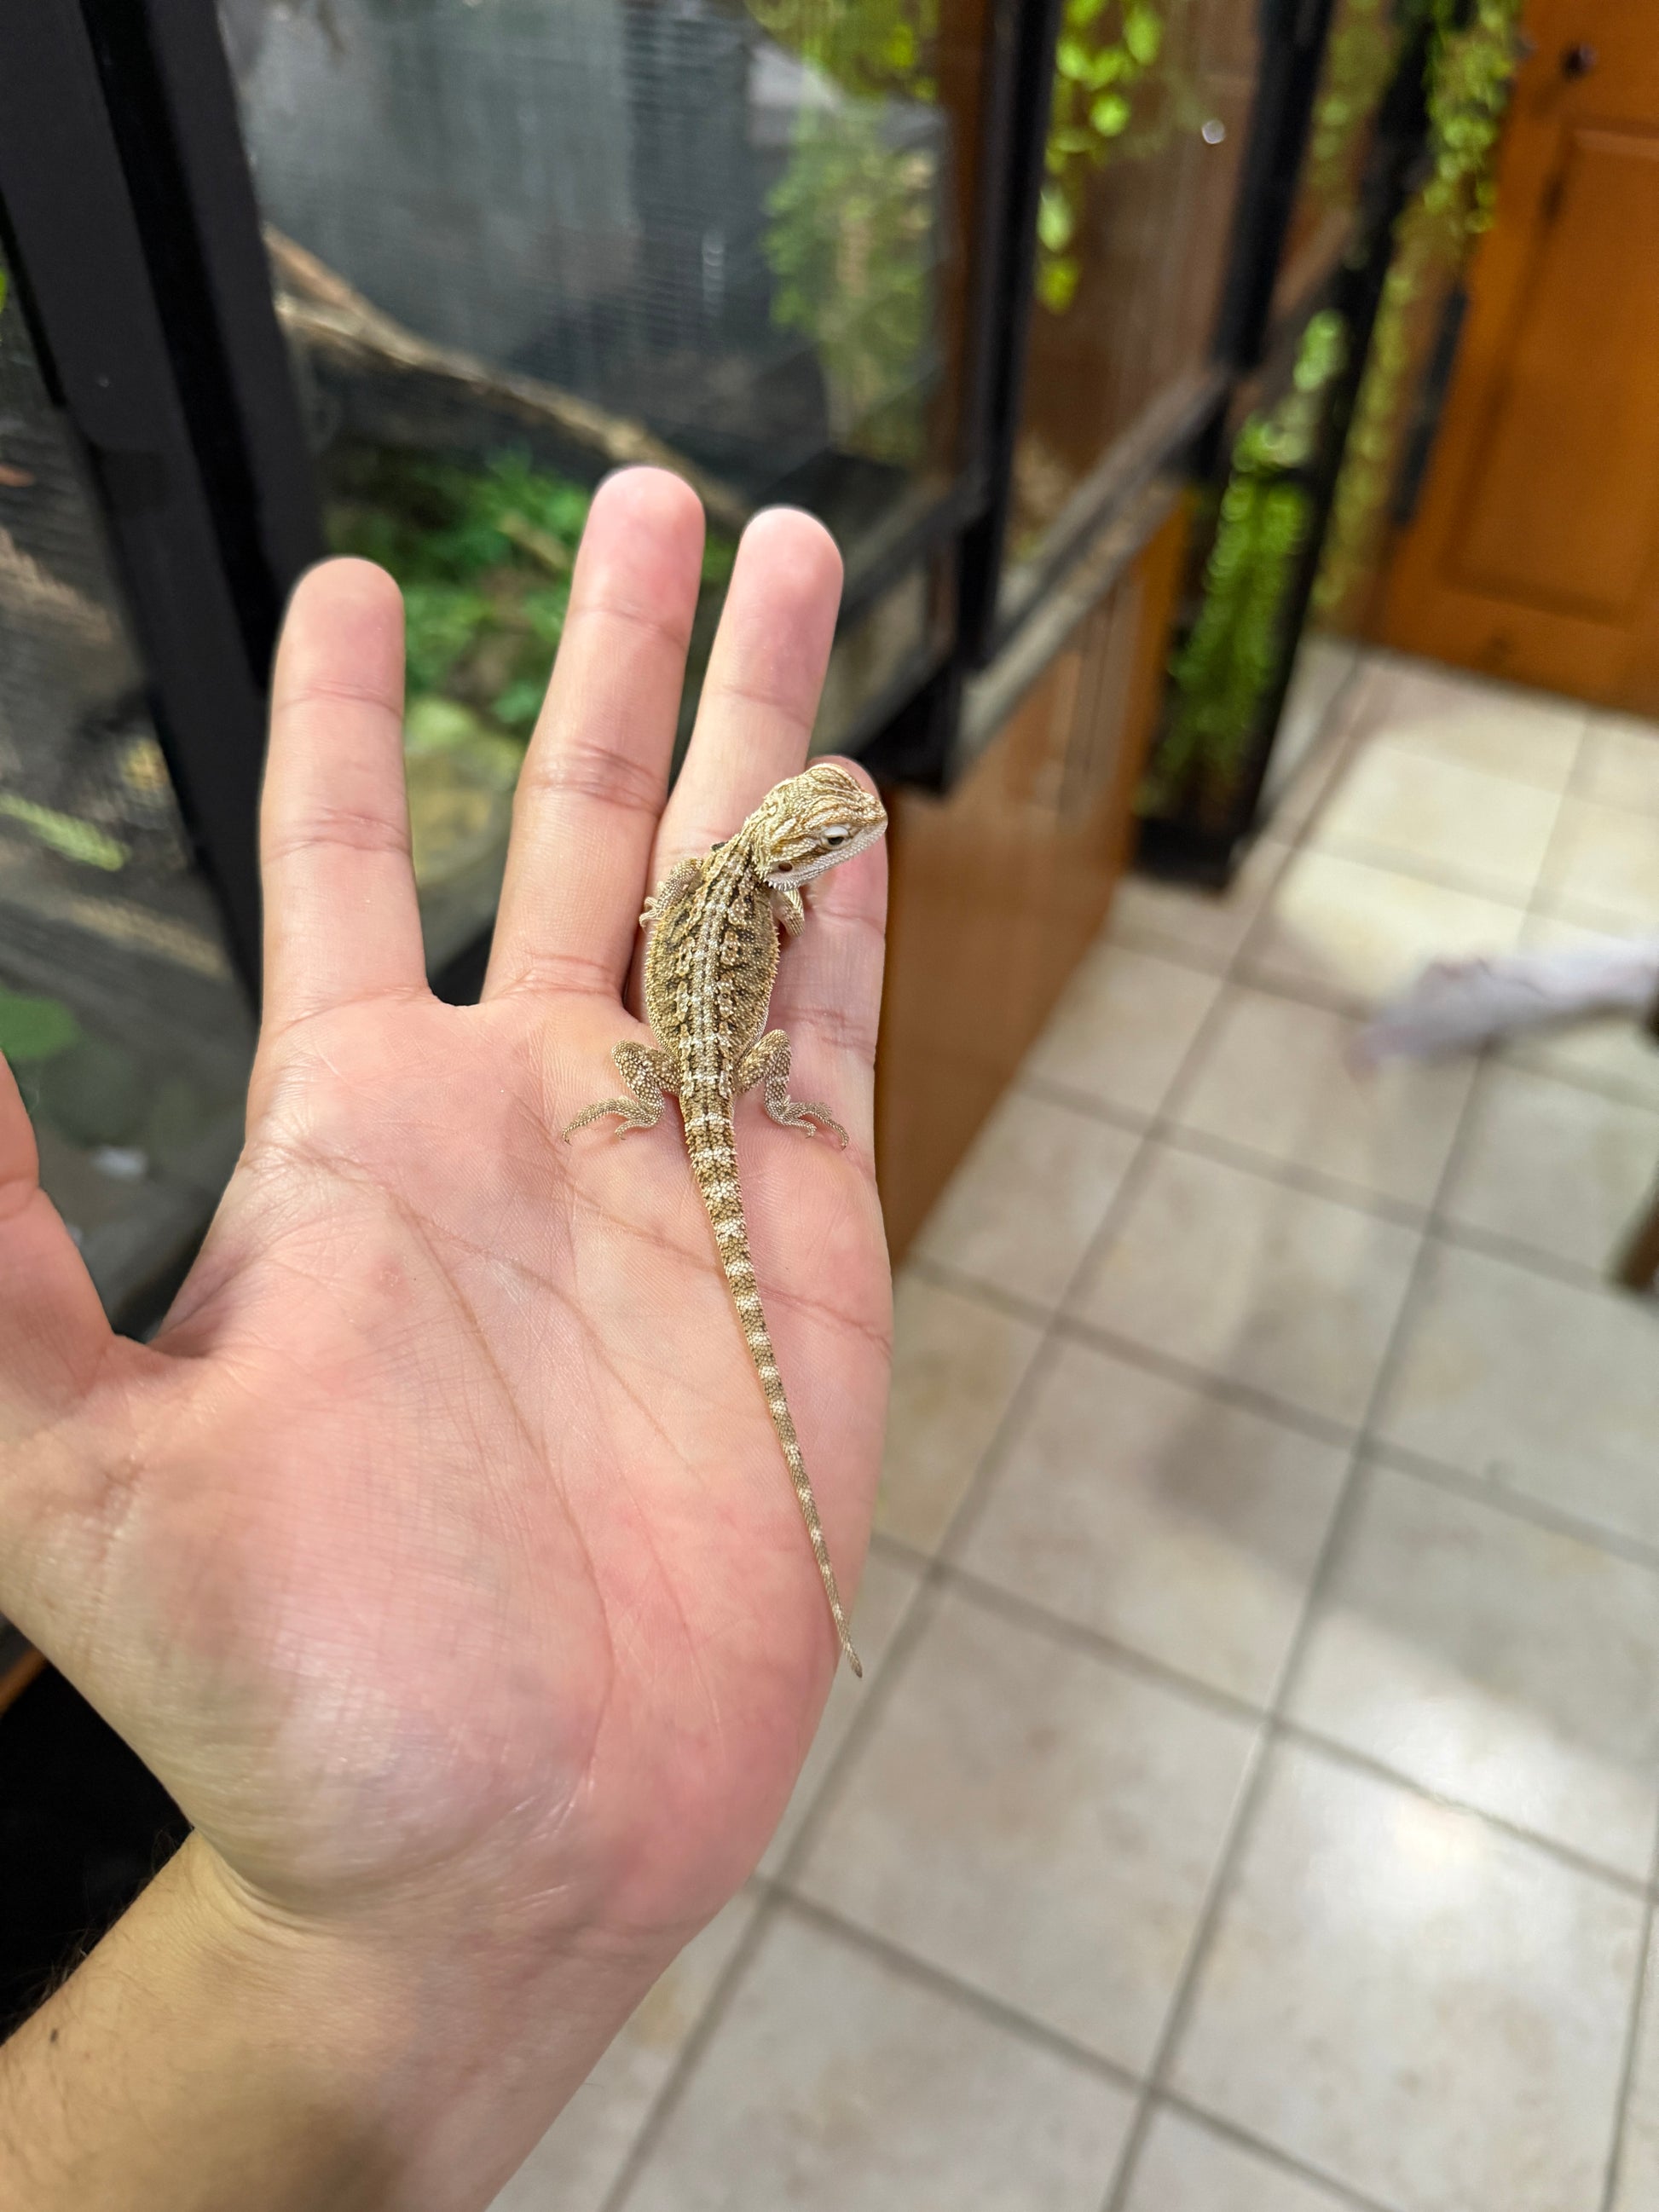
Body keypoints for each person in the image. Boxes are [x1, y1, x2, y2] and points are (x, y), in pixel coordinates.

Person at [0, 470, 890, 2209]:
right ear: (796, 851)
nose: (842, 850)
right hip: (709, 1079)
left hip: (667, 1079)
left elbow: (686, 944)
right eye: (830, 838)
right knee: (742, 1154)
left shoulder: (723, 883)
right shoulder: (753, 899)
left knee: (716, 1155)